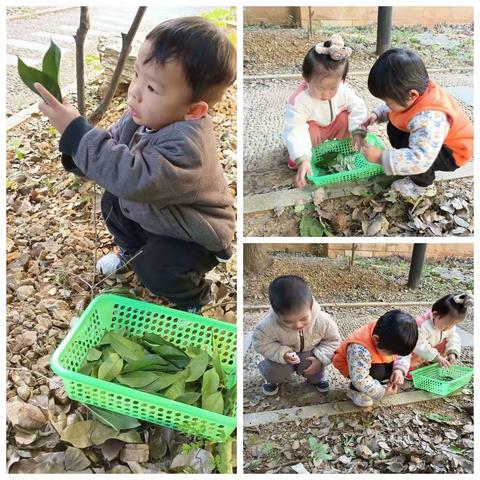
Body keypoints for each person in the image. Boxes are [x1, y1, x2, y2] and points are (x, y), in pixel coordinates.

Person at [34, 17, 236, 312]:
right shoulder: (142, 115)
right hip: (157, 214)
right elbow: (111, 153)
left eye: (152, 88)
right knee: (112, 201)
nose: (135, 91)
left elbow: (134, 178)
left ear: (194, 110)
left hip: (192, 236)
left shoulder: (187, 144)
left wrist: (79, 134)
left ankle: (194, 297)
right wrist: (76, 144)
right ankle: (131, 249)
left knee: (154, 270)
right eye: (138, 75)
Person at [361, 48, 473, 198]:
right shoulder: (416, 89)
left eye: (388, 101)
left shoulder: (429, 118)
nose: (387, 105)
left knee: (412, 153)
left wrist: (380, 158)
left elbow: (419, 159)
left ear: (412, 94)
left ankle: (423, 185)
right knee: (395, 127)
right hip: (436, 141)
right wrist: (378, 114)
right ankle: (415, 172)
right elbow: (397, 108)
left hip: (452, 153)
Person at [284, 33, 368, 188]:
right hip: (314, 130)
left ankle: (344, 149)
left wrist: (358, 131)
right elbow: (295, 128)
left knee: (345, 118)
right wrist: (302, 157)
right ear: (306, 78)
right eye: (321, 88)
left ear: (342, 80)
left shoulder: (344, 90)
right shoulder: (299, 99)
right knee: (309, 131)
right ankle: (306, 158)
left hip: (333, 125)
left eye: (333, 88)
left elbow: (358, 106)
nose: (327, 94)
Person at [252, 275, 341, 396]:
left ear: (310, 307)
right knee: (275, 371)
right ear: (278, 315)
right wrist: (282, 353)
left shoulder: (323, 321)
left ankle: (316, 379)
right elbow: (260, 342)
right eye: (288, 322)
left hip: (311, 353)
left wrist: (320, 358)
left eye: (304, 319)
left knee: (313, 367)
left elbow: (333, 341)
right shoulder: (269, 325)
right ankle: (272, 379)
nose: (298, 325)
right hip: (284, 356)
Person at [332, 310, 418, 407]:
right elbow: (360, 378)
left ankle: (373, 384)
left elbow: (403, 354)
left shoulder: (389, 336)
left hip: (373, 359)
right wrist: (382, 392)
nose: (394, 355)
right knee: (377, 371)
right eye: (392, 353)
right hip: (351, 365)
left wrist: (399, 369)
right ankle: (355, 391)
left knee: (387, 369)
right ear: (376, 339)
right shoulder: (359, 349)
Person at [407, 293, 473, 377]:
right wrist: (436, 357)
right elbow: (418, 345)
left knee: (447, 342)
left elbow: (453, 337)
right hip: (415, 348)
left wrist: (452, 352)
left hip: (431, 346)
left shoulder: (448, 325)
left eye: (452, 325)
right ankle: (409, 367)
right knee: (415, 350)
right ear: (435, 314)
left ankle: (430, 359)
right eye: (445, 325)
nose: (448, 328)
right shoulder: (422, 325)